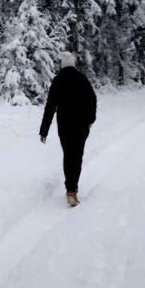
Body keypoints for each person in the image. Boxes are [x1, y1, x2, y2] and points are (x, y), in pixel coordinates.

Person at [39, 51, 97, 207]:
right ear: (73, 64)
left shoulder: (57, 81)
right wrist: (91, 120)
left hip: (64, 126)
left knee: (68, 156)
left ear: (62, 65)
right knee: (77, 156)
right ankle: (73, 190)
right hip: (81, 125)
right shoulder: (82, 79)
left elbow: (50, 106)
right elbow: (92, 100)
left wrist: (44, 130)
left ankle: (69, 189)